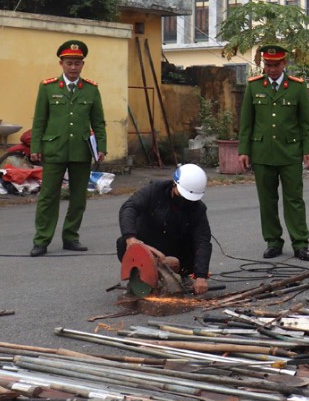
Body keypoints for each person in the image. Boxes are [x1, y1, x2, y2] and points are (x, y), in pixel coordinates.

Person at [238, 44, 309, 261]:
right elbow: (246, 123)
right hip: (262, 153)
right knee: (267, 200)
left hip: (290, 152)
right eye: (268, 65)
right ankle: (273, 242)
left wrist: (308, 150)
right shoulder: (254, 86)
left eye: (275, 65)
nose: (271, 69)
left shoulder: (297, 87)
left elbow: (306, 123)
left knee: (294, 199)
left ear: (285, 64)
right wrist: (244, 150)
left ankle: (300, 243)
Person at [30, 40, 107, 257]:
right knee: (48, 196)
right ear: (61, 63)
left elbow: (98, 122)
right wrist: (36, 146)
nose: (73, 67)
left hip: (81, 152)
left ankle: (71, 237)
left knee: (78, 197)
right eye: (69, 63)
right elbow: (39, 120)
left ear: (82, 64)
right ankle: (41, 240)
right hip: (54, 149)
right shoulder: (48, 88)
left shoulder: (91, 90)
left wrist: (101, 147)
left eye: (77, 63)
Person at [116, 164, 212, 296]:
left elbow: (203, 241)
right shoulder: (154, 191)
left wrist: (201, 276)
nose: (184, 200)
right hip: (149, 244)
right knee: (123, 243)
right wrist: (130, 238)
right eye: (182, 194)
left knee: (196, 246)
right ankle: (138, 276)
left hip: (176, 250)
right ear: (174, 184)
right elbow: (129, 207)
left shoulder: (198, 208)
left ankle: (182, 276)